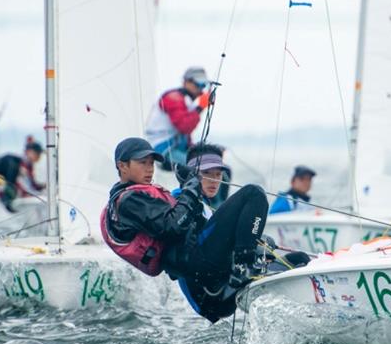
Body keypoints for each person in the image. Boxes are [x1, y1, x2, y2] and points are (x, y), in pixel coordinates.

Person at [100, 137, 269, 323]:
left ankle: (247, 267)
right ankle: (243, 267)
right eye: (142, 163)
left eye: (151, 163)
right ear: (122, 166)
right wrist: (191, 188)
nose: (149, 168)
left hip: (213, 286)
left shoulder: (145, 196)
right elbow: (172, 227)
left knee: (290, 256)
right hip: (205, 280)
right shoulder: (129, 200)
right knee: (254, 193)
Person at [144, 67, 212, 170]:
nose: (200, 88)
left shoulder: (187, 100)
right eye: (197, 83)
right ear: (186, 82)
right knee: (201, 169)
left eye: (203, 84)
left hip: (177, 148)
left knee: (216, 166)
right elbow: (184, 126)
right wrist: (200, 107)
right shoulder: (173, 98)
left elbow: (185, 134)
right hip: (163, 151)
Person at [171, 143, 231, 216]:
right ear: (190, 173)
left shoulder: (205, 204)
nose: (214, 180)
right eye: (206, 172)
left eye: (218, 174)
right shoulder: (177, 201)